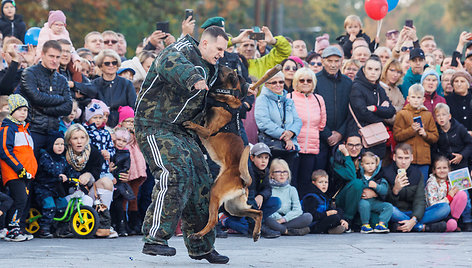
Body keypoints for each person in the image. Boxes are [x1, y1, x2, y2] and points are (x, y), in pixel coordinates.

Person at [134, 26, 239, 263]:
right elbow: (168, 62)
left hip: (183, 130)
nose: (222, 53)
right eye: (218, 48)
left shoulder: (214, 69)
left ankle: (201, 245)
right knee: (175, 173)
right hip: (154, 125)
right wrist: (193, 78)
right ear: (204, 43)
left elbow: (218, 97)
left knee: (202, 182)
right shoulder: (182, 49)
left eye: (224, 50)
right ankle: (155, 239)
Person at [64, 124, 118, 238]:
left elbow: (96, 173)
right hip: (69, 192)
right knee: (86, 200)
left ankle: (103, 222)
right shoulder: (63, 152)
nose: (79, 142)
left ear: (87, 139)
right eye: (75, 138)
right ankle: (76, 226)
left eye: (82, 138)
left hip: (87, 188)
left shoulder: (93, 152)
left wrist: (89, 175)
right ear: (69, 141)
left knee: (106, 181)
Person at [19, 40, 73, 155]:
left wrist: (45, 108)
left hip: (54, 132)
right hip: (33, 129)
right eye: (51, 56)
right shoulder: (29, 73)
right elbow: (36, 98)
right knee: (32, 169)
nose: (54, 60)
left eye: (57, 57)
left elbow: (68, 107)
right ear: (42, 55)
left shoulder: (62, 79)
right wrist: (60, 98)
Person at [221, 143, 282, 238]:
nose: (263, 161)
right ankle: (226, 221)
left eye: (266, 158)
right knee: (247, 228)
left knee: (276, 202)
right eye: (260, 157)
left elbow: (268, 189)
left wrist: (261, 195)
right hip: (239, 206)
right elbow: (246, 196)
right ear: (252, 158)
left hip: (253, 204)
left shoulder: (265, 171)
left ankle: (256, 224)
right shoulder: (247, 171)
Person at [385, 143, 449, 232]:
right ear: (394, 157)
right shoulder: (386, 172)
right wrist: (395, 190)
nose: (403, 162)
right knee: (389, 209)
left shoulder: (417, 173)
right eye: (400, 158)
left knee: (445, 208)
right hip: (397, 212)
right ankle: (421, 227)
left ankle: (406, 226)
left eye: (406, 158)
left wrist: (413, 220)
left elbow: (419, 200)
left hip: (415, 213)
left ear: (411, 158)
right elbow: (385, 202)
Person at [0, 94, 37, 241]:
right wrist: (19, 168)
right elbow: (4, 151)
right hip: (14, 173)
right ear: (11, 110)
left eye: (26, 110)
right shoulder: (8, 128)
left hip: (27, 174)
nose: (23, 113)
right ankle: (12, 229)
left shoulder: (25, 129)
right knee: (20, 199)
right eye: (20, 109)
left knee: (22, 201)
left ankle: (15, 228)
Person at [255, 71, 302, 180]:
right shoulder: (262, 99)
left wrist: (291, 132)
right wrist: (284, 135)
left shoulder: (289, 101)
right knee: (272, 178)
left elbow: (297, 121)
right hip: (272, 147)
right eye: (274, 82)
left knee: (288, 180)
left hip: (290, 148)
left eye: (281, 82)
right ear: (266, 84)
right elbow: (263, 122)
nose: (278, 85)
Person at [348, 56, 395, 158]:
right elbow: (362, 113)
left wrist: (375, 108)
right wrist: (382, 116)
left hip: (378, 138)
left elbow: (391, 111)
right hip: (361, 136)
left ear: (380, 72)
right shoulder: (356, 87)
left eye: (376, 69)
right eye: (370, 69)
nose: (373, 72)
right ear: (364, 70)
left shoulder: (379, 89)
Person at [289, 67, 326, 198]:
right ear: (296, 82)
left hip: (311, 148)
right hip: (293, 147)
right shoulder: (290, 97)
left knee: (305, 181)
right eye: (301, 80)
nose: (305, 83)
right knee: (291, 181)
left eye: (309, 80)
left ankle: (304, 210)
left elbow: (322, 124)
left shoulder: (318, 99)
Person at [315, 46, 352, 169]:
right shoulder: (315, 80)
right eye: (329, 61)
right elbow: (313, 111)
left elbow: (350, 111)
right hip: (320, 137)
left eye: (336, 61)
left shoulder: (348, 82)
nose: (333, 65)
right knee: (320, 173)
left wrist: (340, 133)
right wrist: (327, 133)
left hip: (341, 138)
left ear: (342, 62)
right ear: (323, 61)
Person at [393, 84, 438, 182]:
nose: (416, 100)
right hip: (406, 159)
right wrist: (411, 130)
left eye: (418, 97)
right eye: (413, 97)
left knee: (422, 185)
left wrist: (426, 134)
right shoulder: (402, 114)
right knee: (407, 184)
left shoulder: (428, 114)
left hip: (424, 159)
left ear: (423, 100)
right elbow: (397, 136)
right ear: (408, 98)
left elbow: (435, 136)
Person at [32, 131, 72, 238]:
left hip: (55, 189)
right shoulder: (45, 156)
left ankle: (61, 228)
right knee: (49, 206)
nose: (60, 147)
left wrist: (75, 177)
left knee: (63, 205)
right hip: (43, 188)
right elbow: (49, 168)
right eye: (57, 144)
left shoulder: (63, 159)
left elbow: (69, 170)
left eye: (62, 144)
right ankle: (44, 228)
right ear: (51, 145)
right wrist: (59, 174)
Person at [116, 106, 147, 235]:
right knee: (124, 196)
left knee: (134, 196)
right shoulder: (118, 134)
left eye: (132, 121)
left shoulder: (136, 134)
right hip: (126, 170)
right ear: (121, 122)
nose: (130, 124)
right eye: (127, 121)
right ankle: (123, 222)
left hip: (138, 170)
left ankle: (135, 222)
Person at [264, 159, 312, 236]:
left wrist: (284, 219)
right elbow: (267, 209)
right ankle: (289, 231)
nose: (282, 174)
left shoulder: (292, 189)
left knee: (308, 217)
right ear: (272, 175)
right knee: (266, 219)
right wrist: (278, 218)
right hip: (274, 218)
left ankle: (279, 229)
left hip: (288, 219)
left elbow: (298, 210)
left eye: (285, 172)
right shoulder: (268, 189)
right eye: (278, 172)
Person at [91, 49, 136, 127]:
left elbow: (133, 107)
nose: (111, 65)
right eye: (107, 63)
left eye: (114, 63)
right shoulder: (94, 84)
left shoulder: (127, 84)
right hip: (100, 126)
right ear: (101, 66)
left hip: (123, 127)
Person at [426, 156, 468, 232]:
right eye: (439, 168)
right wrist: (449, 197)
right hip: (436, 213)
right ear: (434, 170)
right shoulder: (431, 183)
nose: (442, 170)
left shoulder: (452, 180)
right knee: (450, 224)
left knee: (462, 194)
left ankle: (454, 220)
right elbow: (432, 205)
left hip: (448, 214)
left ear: (449, 170)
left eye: (444, 168)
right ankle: (437, 226)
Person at [330, 135, 365, 225]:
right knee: (357, 183)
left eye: (357, 145)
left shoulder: (365, 158)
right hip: (341, 199)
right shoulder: (336, 159)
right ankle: (348, 220)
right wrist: (347, 155)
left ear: (361, 146)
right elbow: (351, 176)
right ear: (344, 145)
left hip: (362, 198)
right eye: (350, 145)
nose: (354, 148)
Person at [301, 169, 349, 234]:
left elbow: (331, 209)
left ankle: (334, 228)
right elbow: (311, 216)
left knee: (339, 210)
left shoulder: (323, 196)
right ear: (314, 183)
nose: (324, 185)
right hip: (313, 224)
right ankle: (327, 229)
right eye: (320, 182)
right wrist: (327, 214)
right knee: (334, 218)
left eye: (326, 182)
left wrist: (342, 220)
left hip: (322, 219)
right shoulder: (311, 197)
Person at [357, 152, 393, 233]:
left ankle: (381, 224)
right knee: (364, 205)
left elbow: (385, 190)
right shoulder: (359, 176)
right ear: (362, 165)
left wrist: (377, 186)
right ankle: (365, 225)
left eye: (372, 163)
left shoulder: (379, 177)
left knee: (388, 206)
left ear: (376, 164)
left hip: (375, 202)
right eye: (367, 163)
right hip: (363, 201)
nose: (370, 166)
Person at [433, 103, 472, 170]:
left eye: (444, 115)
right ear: (435, 118)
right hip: (444, 166)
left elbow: (469, 144)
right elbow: (433, 151)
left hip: (461, 163)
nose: (441, 118)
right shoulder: (435, 131)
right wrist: (442, 160)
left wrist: (462, 155)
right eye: (438, 115)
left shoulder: (459, 128)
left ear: (449, 116)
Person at [82, 101, 115, 175]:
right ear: (88, 119)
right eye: (95, 117)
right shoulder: (85, 131)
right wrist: (99, 153)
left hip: (104, 168)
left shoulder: (106, 132)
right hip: (91, 167)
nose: (98, 120)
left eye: (100, 117)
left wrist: (109, 154)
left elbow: (111, 148)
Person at [109, 127, 131, 237]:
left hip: (119, 183)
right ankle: (113, 224)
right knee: (112, 204)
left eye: (124, 141)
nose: (121, 143)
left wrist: (117, 176)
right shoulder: (111, 151)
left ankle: (122, 226)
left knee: (119, 204)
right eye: (119, 140)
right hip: (110, 180)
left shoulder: (126, 154)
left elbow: (125, 168)